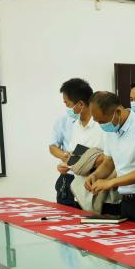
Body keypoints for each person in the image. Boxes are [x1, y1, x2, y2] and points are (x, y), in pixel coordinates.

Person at [85, 91, 135, 228]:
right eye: (97, 122)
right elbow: (108, 163)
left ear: (117, 112)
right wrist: (95, 176)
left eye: (102, 121)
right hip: (126, 201)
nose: (101, 126)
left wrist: (110, 182)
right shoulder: (110, 130)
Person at [54, 78, 103, 209]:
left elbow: (108, 159)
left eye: (68, 104)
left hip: (98, 190)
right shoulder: (76, 125)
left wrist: (83, 162)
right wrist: (66, 165)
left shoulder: (101, 125)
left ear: (81, 104)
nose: (67, 108)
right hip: (78, 191)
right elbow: (74, 154)